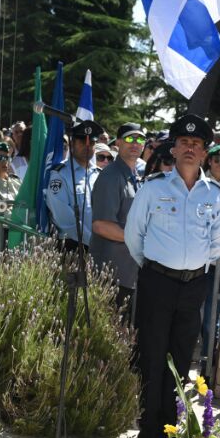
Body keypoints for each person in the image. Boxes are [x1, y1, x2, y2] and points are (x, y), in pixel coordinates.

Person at [124, 113, 220, 438]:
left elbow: (216, 240)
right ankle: (148, 426)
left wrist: (194, 267)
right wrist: (154, 268)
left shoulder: (214, 193)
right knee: (152, 353)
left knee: (182, 357)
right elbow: (133, 235)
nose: (189, 148)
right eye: (184, 142)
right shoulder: (154, 187)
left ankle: (170, 425)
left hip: (193, 285)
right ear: (175, 146)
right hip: (158, 281)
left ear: (204, 152)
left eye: (196, 144)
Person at [90, 123, 147, 318]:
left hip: (128, 274)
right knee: (104, 338)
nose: (135, 143)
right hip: (110, 275)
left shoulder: (135, 177)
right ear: (119, 143)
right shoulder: (111, 176)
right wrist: (139, 241)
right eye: (130, 138)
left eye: (140, 139)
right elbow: (101, 225)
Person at [45, 120, 101, 246]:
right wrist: (93, 242)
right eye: (82, 142)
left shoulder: (99, 174)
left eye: (91, 143)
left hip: (99, 246)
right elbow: (64, 220)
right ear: (72, 144)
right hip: (72, 246)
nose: (87, 146)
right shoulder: (60, 175)